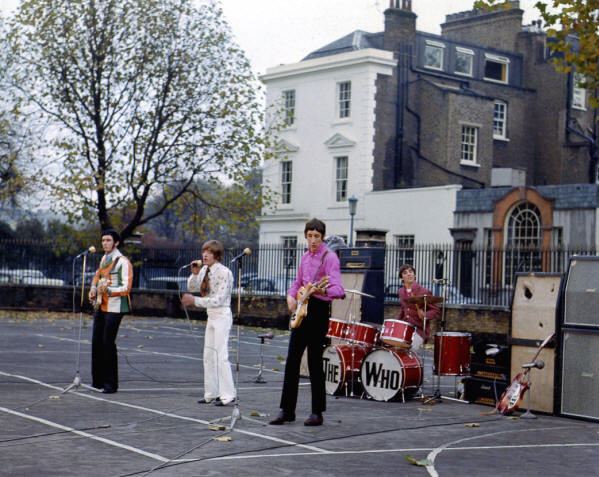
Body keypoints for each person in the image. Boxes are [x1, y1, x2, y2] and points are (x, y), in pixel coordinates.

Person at [269, 218, 344, 427]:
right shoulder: (304, 257)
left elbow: (339, 290)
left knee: (314, 362)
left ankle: (317, 412)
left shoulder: (330, 258)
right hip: (302, 310)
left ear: (322, 237)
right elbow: (297, 282)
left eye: (317, 237)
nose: (313, 240)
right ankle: (286, 410)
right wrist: (290, 296)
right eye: (309, 236)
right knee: (292, 359)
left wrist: (322, 291)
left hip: (319, 311)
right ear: (305, 236)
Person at [181, 240, 236, 407]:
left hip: (222, 314)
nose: (205, 255)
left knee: (221, 355)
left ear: (216, 255)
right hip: (211, 316)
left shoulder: (225, 272)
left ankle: (228, 395)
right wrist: (195, 273)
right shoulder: (204, 270)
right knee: (208, 355)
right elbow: (192, 287)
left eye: (209, 252)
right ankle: (211, 393)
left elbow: (219, 299)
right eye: (204, 251)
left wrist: (195, 301)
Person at [88, 229, 133, 393]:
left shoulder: (122, 261)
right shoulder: (104, 258)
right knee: (96, 342)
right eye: (103, 240)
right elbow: (98, 275)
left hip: (115, 306)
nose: (105, 243)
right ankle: (97, 381)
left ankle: (110, 384)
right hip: (101, 304)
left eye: (108, 240)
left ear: (116, 243)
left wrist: (108, 290)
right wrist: (93, 288)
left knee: (108, 342)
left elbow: (126, 287)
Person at [396, 264, 440, 351]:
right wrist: (396, 324)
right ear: (401, 278)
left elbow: (436, 310)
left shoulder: (424, 291)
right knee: (394, 348)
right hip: (405, 328)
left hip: (419, 330)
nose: (409, 274)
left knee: (408, 351)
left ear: (414, 275)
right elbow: (403, 309)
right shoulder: (401, 291)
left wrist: (425, 315)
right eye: (405, 273)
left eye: (411, 271)